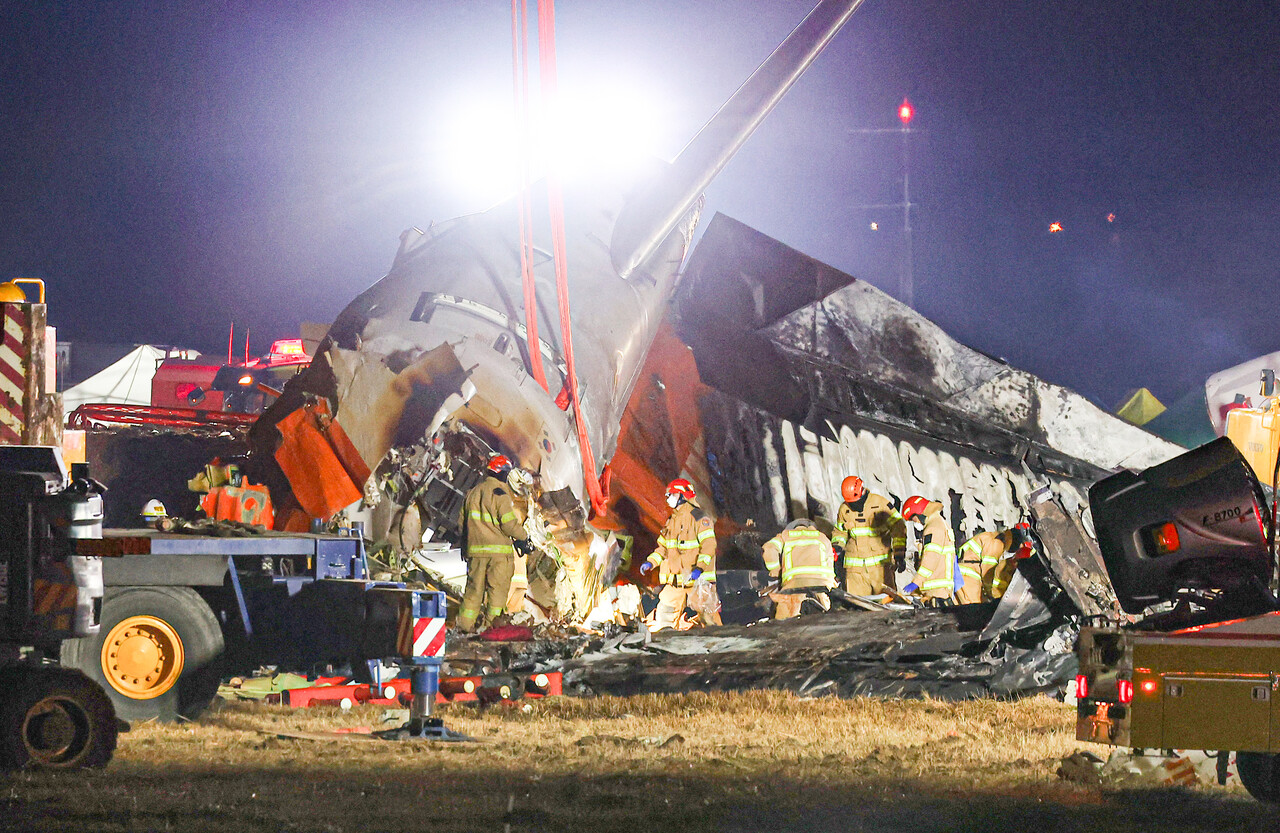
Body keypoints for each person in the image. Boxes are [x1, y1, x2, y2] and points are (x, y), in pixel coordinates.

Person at [456, 454, 535, 633]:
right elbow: (509, 524)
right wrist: (525, 537)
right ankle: (492, 631)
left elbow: (462, 525)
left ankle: (463, 629)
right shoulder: (500, 493)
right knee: (497, 596)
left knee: (472, 594)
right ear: (503, 474)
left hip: (475, 554)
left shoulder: (472, 493)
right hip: (498, 556)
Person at [640, 478, 719, 630]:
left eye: (671, 495)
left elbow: (709, 546)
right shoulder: (671, 521)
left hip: (698, 579)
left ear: (682, 496)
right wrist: (651, 562)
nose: (668, 498)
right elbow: (663, 548)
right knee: (664, 619)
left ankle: (722, 646)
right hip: (676, 580)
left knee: (709, 619)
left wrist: (699, 568)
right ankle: (666, 648)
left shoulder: (699, 518)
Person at [830, 476, 906, 596]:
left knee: (886, 603)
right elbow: (840, 532)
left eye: (855, 502)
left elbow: (899, 528)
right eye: (850, 503)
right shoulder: (844, 509)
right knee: (856, 605)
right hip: (854, 572)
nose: (853, 506)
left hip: (880, 569)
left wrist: (899, 554)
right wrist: (837, 546)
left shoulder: (880, 503)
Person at [761, 519, 836, 619]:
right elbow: (829, 565)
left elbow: (769, 548)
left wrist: (775, 571)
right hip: (821, 588)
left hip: (793, 588)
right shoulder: (822, 537)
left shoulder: (785, 536)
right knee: (826, 623)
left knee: (784, 626)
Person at [899, 496, 956, 605]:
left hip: (936, 591)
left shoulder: (933, 528)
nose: (915, 523)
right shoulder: (939, 523)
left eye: (913, 519)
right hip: (940, 588)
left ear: (920, 512)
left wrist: (916, 582)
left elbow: (931, 559)